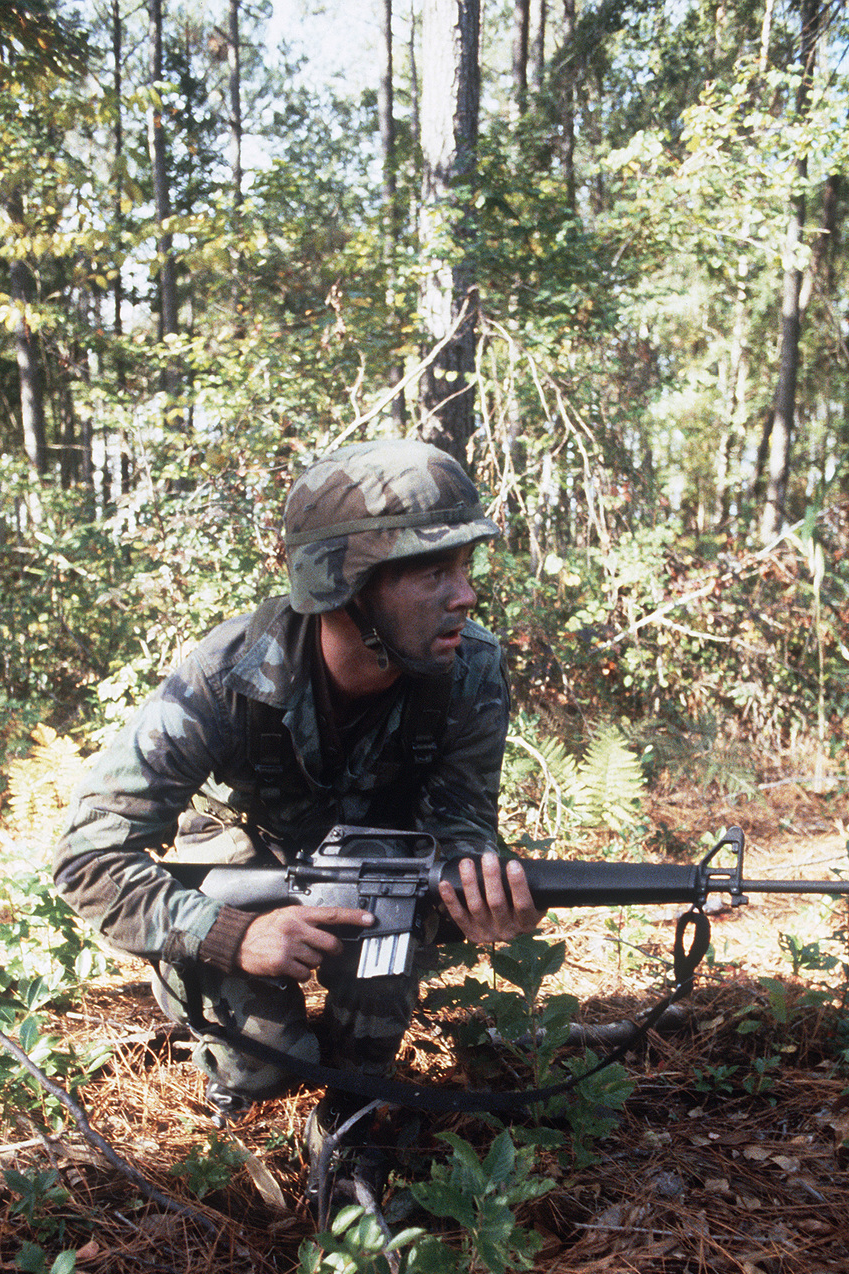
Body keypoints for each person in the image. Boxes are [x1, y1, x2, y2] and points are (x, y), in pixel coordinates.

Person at [52, 439, 540, 1192]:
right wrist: (227, 933)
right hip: (242, 869)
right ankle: (234, 1050)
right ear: (344, 585)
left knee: (383, 944)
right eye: (432, 571)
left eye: (467, 567)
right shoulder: (225, 677)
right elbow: (88, 858)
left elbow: (460, 822)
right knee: (263, 1068)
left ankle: (349, 1118)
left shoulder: (469, 669)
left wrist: (478, 886)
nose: (465, 595)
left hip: (370, 879)